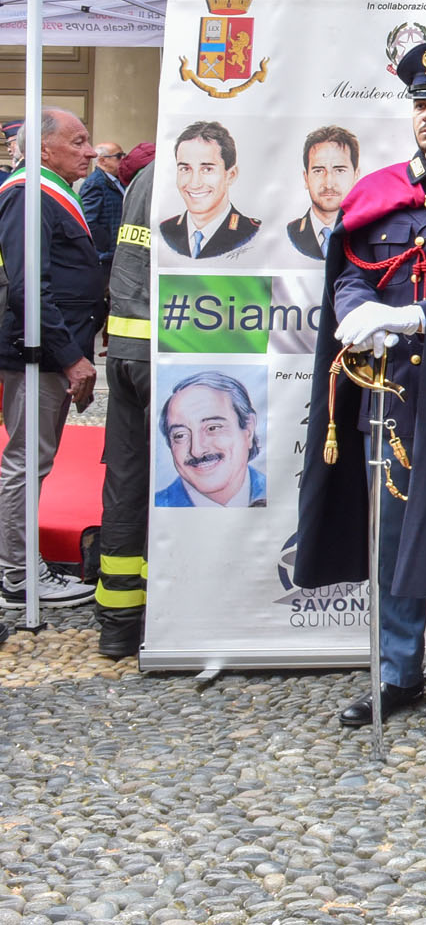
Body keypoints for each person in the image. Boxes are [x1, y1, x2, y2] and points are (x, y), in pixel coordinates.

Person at [295, 43, 426, 737]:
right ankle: (396, 671)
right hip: (393, 395)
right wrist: (355, 309)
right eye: (422, 104)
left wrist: (421, 315)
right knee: (387, 539)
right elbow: (352, 268)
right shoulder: (381, 189)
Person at [0, 110, 102, 606]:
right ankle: (18, 575)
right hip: (37, 355)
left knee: (33, 459)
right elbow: (29, 288)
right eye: (78, 141)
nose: (91, 151)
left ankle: (19, 566)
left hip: (50, 350)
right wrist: (70, 357)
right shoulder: (28, 193)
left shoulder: (50, 191)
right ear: (43, 149)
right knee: (26, 462)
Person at [93, 156, 156, 655]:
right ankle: (161, 617)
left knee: (126, 486)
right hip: (167, 352)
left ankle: (118, 625)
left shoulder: (145, 177)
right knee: (178, 489)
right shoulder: (188, 167)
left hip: (127, 350)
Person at [153, 372, 266, 507]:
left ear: (249, 429)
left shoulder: (280, 494)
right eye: (180, 435)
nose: (197, 451)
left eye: (212, 428)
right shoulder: (155, 507)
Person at [160, 120, 261, 259]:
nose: (194, 184)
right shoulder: (164, 231)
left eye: (207, 169)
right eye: (185, 169)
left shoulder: (252, 234)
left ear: (231, 175)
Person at [287, 126, 359, 261]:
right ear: (306, 178)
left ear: (356, 176)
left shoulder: (367, 233)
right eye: (318, 171)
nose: (329, 184)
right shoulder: (290, 233)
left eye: (339, 170)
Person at [77, 141, 123, 273]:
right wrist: (106, 245)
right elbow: (88, 220)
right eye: (118, 156)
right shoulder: (95, 183)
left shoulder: (117, 180)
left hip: (115, 252)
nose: (123, 160)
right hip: (105, 256)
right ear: (102, 160)